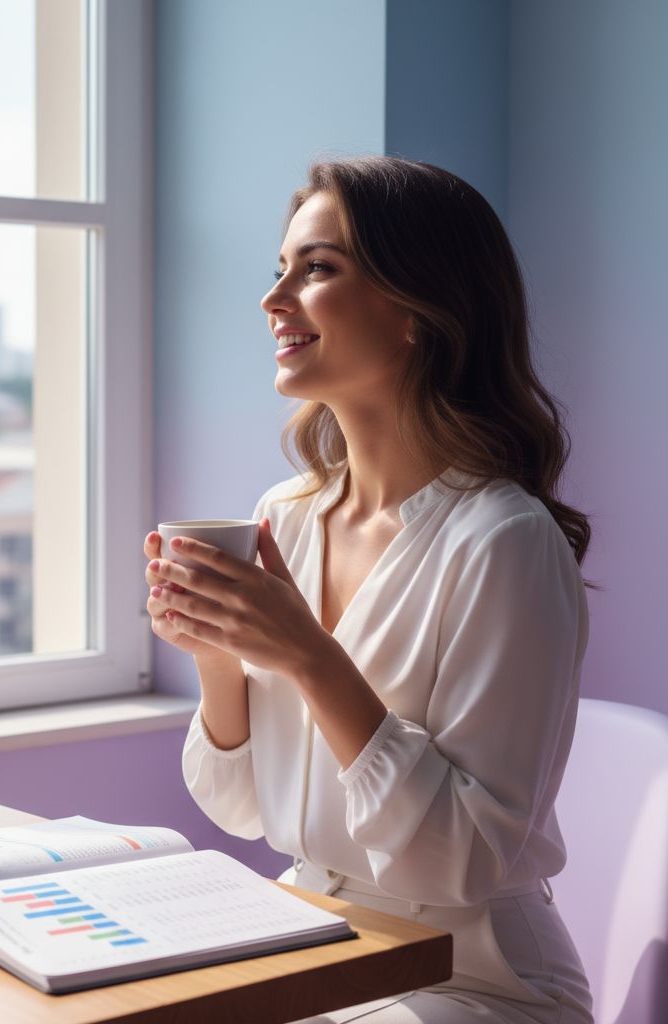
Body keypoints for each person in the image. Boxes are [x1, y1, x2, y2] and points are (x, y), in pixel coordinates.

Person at [142, 156, 595, 1023]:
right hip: (317, 945)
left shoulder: (504, 541)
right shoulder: (284, 516)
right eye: (279, 269)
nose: (274, 299)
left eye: (316, 269)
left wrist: (310, 658)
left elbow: (460, 861)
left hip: (472, 981)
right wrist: (217, 655)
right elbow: (242, 809)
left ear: (418, 308)